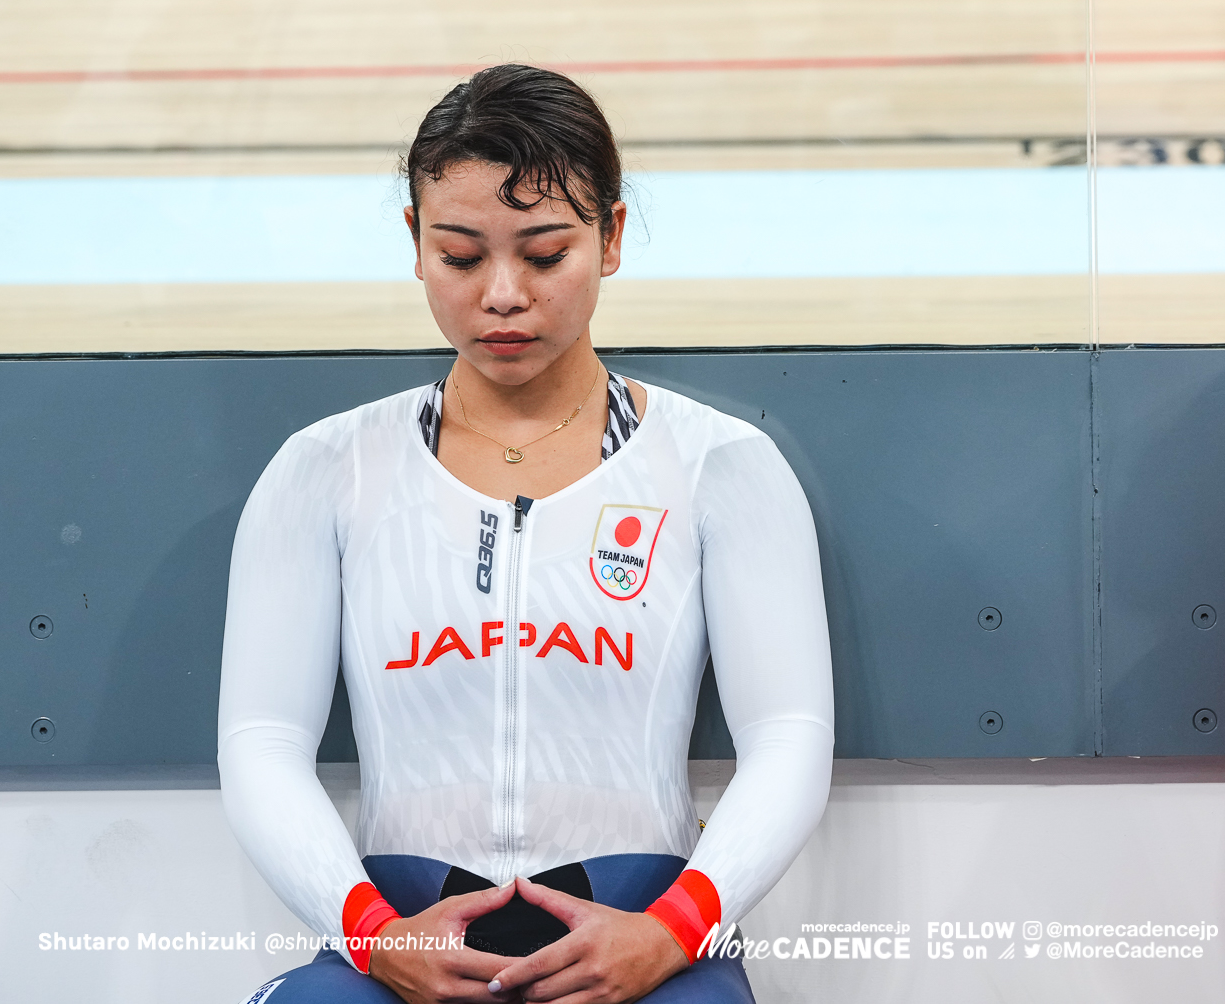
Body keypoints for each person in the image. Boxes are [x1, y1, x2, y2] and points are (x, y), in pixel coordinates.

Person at [220, 64, 834, 1003]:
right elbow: (262, 740)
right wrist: (372, 934)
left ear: (612, 236)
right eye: (461, 256)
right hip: (397, 946)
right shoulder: (323, 469)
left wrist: (675, 929)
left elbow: (789, 734)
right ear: (415, 244)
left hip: (647, 951)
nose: (503, 294)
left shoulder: (721, 466)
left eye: (545, 254)